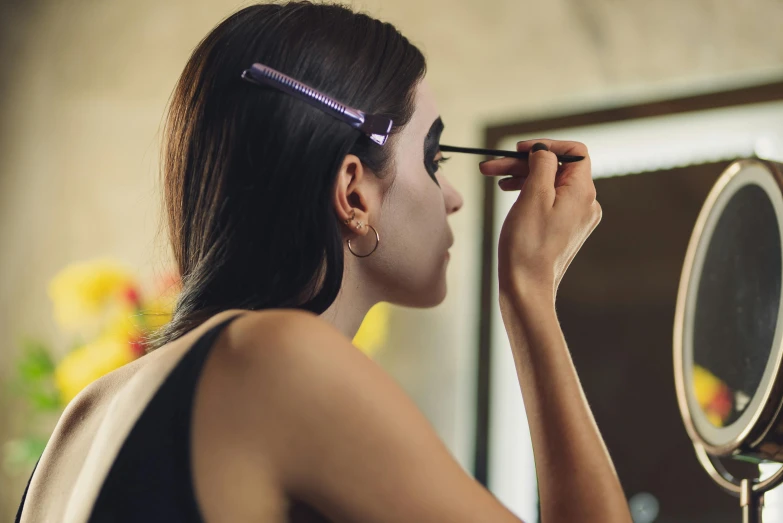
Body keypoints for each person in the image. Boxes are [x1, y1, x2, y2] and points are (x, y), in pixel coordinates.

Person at [15, 2, 629, 522]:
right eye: (435, 159)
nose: (455, 196)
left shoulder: (84, 415)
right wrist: (530, 291)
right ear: (353, 192)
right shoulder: (277, 358)